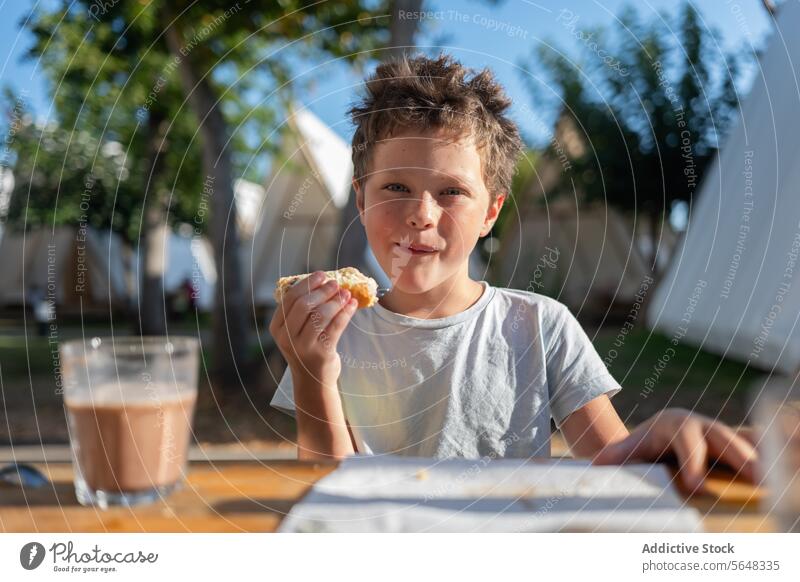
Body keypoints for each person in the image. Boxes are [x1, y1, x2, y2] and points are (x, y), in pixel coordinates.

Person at [268, 53, 758, 492]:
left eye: (452, 192)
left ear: (490, 213)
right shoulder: (333, 335)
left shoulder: (541, 327)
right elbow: (327, 496)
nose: (421, 213)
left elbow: (615, 472)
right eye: (395, 186)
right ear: (361, 199)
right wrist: (314, 374)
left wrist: (662, 433)